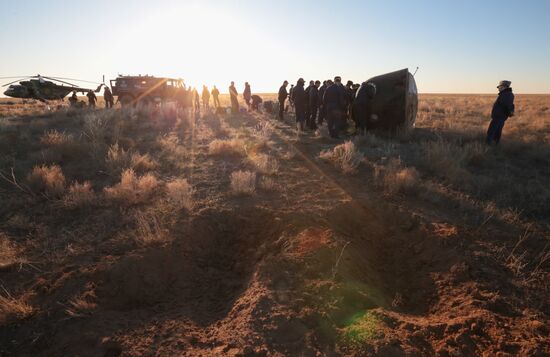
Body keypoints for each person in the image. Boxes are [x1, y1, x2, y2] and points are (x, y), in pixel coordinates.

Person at [487, 80, 515, 145]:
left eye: (499, 87)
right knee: (497, 131)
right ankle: (495, 144)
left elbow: (507, 105)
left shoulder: (506, 94)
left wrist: (509, 113)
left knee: (491, 131)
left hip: (499, 117)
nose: (498, 88)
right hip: (501, 116)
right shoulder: (506, 94)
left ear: (504, 87)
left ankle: (488, 145)